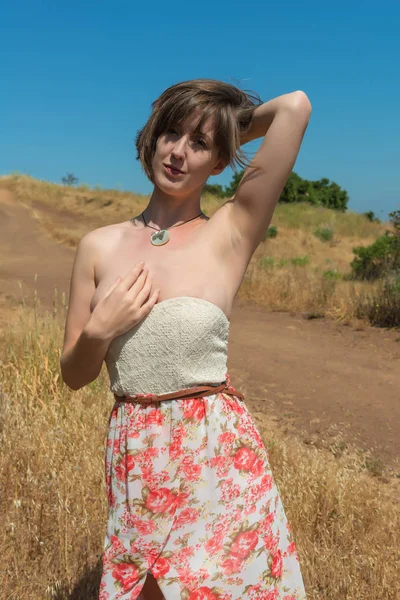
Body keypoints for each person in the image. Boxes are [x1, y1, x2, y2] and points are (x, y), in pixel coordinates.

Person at [60, 78, 312, 600]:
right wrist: (102, 328)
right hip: (139, 457)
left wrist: (221, 126)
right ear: (151, 139)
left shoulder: (231, 232)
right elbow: (73, 374)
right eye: (169, 134)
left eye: (198, 145)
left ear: (219, 161)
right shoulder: (97, 247)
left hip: (219, 456)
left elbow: (294, 108)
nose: (177, 153)